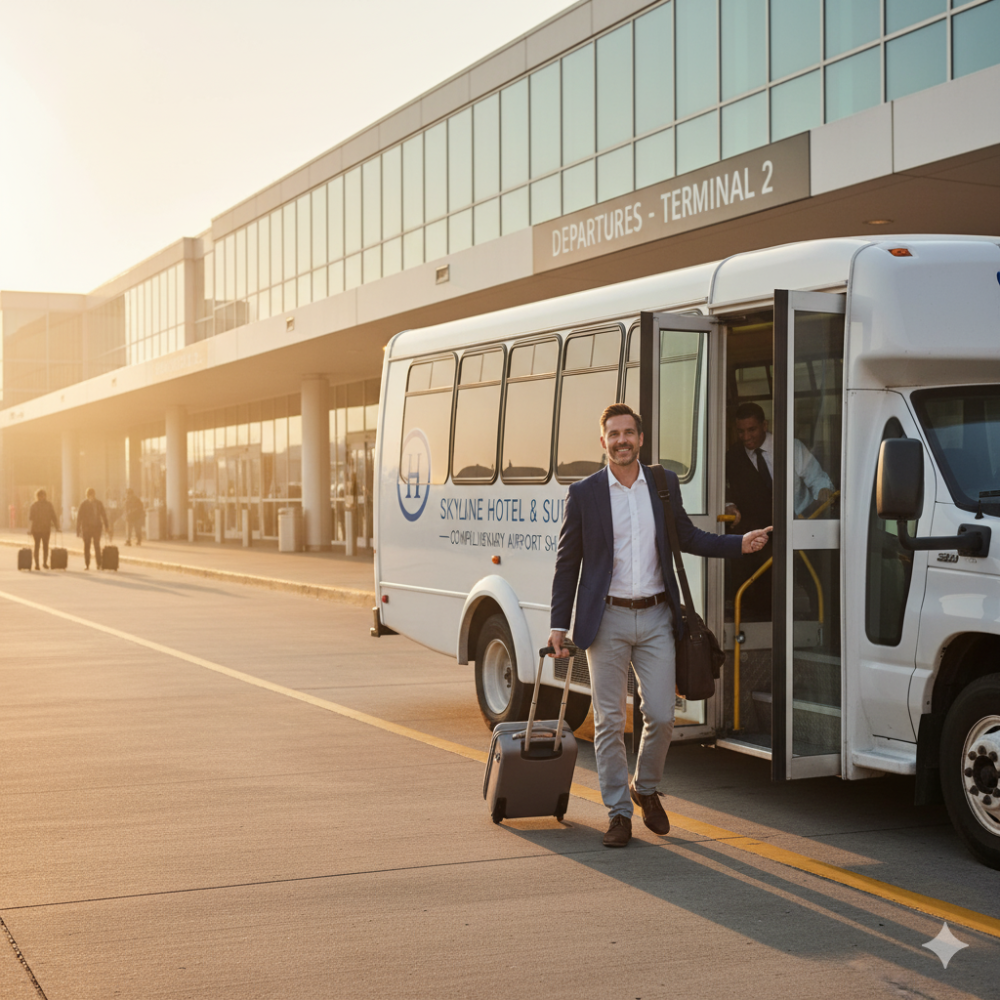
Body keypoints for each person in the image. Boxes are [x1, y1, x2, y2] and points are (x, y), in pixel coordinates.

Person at [548, 403, 771, 848]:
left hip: (655, 617)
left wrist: (738, 544)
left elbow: (688, 537)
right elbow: (567, 561)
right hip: (605, 619)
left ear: (641, 439)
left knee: (663, 716)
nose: (622, 441)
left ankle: (644, 788)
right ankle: (618, 813)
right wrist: (558, 625)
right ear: (603, 441)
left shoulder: (664, 484)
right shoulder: (585, 493)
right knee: (610, 721)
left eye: (629, 433)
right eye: (614, 434)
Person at [724, 402, 834, 619]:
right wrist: (729, 506)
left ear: (764, 425)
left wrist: (823, 492)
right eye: (740, 431)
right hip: (760, 534)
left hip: (798, 525)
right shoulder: (732, 457)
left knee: (817, 580)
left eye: (752, 429)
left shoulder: (791, 448)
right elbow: (724, 492)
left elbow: (818, 480)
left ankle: (821, 622)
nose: (746, 437)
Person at [76, 488, 110, 570]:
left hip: (96, 528)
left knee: (97, 546)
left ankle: (99, 564)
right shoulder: (83, 504)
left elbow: (103, 515)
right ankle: (87, 564)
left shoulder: (98, 504)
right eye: (90, 496)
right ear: (87, 496)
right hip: (86, 528)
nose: (91, 497)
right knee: (87, 546)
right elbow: (79, 517)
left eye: (92, 495)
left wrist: (106, 526)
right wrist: (78, 530)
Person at [27, 488, 60, 570]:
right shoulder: (47, 505)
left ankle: (42, 563)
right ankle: (39, 564)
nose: (42, 497)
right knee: (41, 546)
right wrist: (57, 527)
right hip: (42, 529)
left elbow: (53, 517)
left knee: (41, 546)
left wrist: (57, 527)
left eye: (43, 496)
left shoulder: (35, 505)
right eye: (41, 496)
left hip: (41, 529)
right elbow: (54, 517)